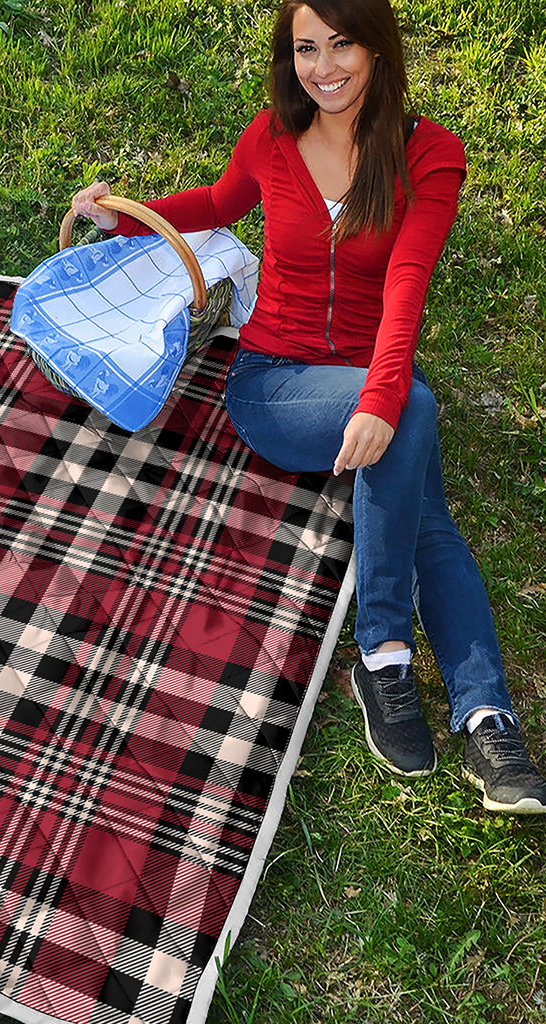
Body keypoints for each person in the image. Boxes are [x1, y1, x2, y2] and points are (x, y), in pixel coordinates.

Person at [70, 0, 546, 814]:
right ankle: (391, 654)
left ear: (377, 48)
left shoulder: (429, 156)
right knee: (416, 420)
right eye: (305, 49)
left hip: (366, 375)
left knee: (420, 475)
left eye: (342, 44)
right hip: (273, 385)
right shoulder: (271, 137)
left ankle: (481, 714)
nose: (323, 67)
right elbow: (218, 205)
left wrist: (382, 396)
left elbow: (407, 284)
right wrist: (125, 221)